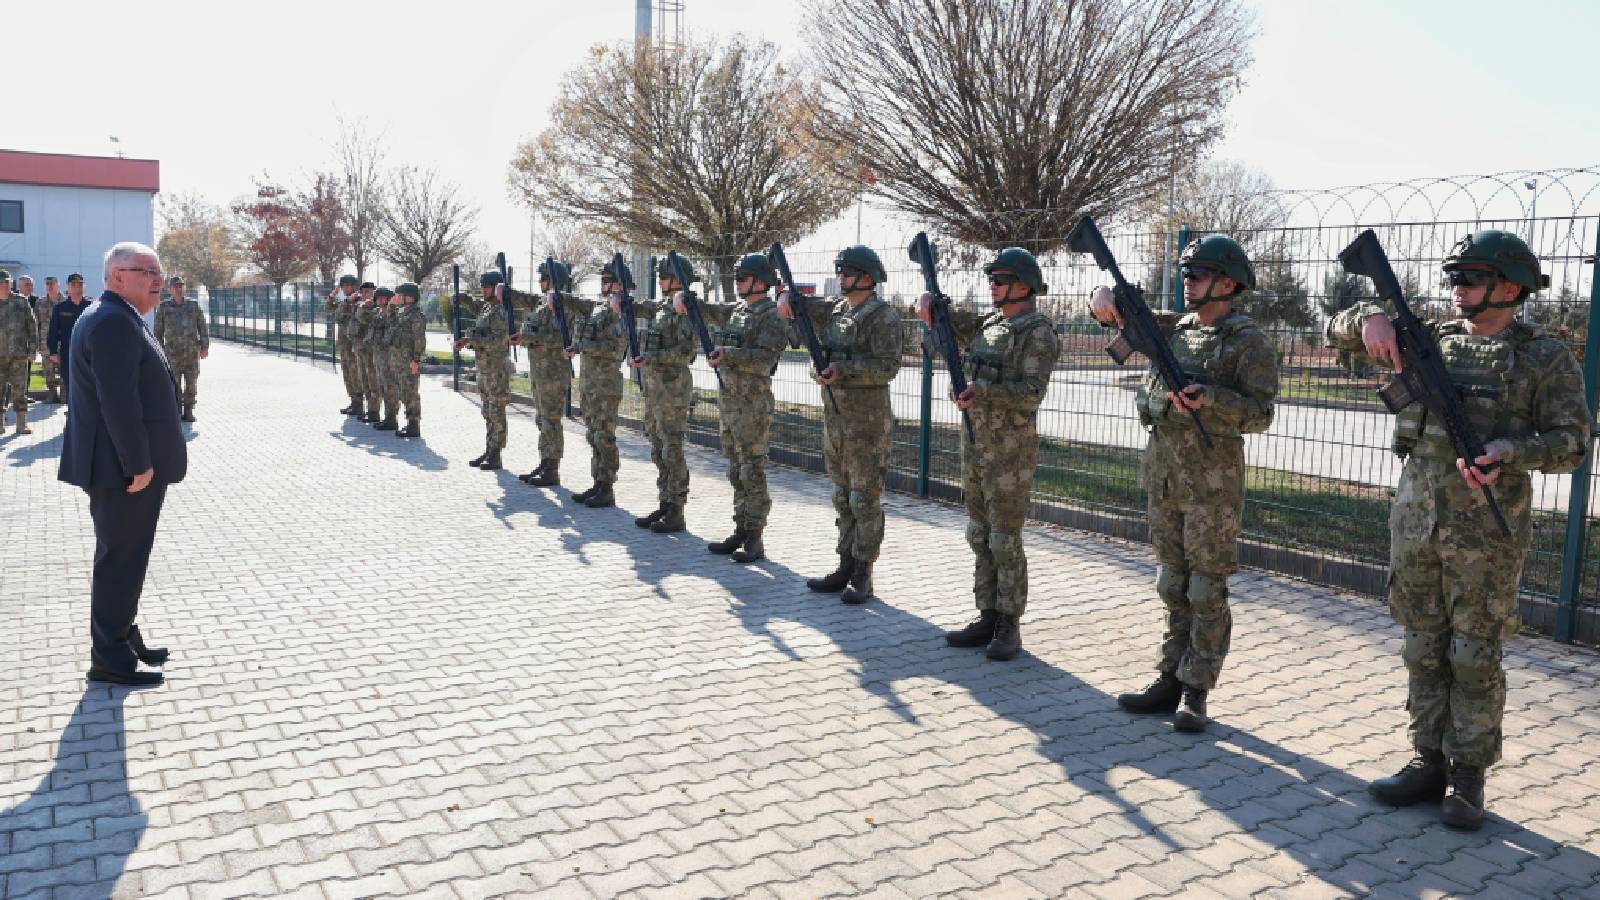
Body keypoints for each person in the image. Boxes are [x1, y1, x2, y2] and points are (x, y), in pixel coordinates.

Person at [1324, 230, 1589, 830]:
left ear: (1511, 287)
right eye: (1453, 278)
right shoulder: (1425, 342)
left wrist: (1511, 449)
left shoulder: (1544, 356)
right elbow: (1335, 327)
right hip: (1416, 521)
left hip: (1486, 534)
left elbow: (1572, 443)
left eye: (1469, 278)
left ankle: (1467, 776)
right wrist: (1369, 319)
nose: (1457, 288)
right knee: (1422, 643)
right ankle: (1426, 760)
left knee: (1473, 652)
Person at [1092, 235, 1279, 733]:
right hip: (1164, 474)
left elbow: (1260, 412)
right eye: (1185, 274)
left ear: (1227, 282)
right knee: (1171, 581)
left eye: (1196, 275)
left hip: (1212, 484)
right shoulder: (1171, 329)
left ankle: (1196, 689)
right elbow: (1110, 311)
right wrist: (1102, 296)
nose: (1186, 282)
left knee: (1204, 587)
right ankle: (1169, 676)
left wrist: (1211, 398)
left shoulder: (1249, 341)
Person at [58, 242, 187, 687]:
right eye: (146, 271)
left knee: (129, 558)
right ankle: (109, 658)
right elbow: (119, 403)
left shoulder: (118, 315)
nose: (158, 280)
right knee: (120, 560)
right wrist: (139, 464)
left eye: (159, 271)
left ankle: (122, 635)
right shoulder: (112, 321)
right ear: (116, 276)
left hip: (122, 465)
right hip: (123, 470)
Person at [923, 247, 1060, 660]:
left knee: (1003, 539)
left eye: (999, 280)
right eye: (992, 279)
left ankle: (1009, 624)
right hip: (976, 443)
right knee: (979, 534)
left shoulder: (1037, 332)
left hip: (1009, 452)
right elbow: (957, 356)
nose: (992, 286)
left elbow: (1030, 394)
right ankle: (986, 613)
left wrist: (983, 393)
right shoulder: (990, 325)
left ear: (1023, 285)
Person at [778, 245, 905, 604]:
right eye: (840, 273)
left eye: (847, 273)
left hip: (866, 423)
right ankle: (845, 563)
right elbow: (802, 315)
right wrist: (786, 296)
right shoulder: (837, 312)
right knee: (841, 496)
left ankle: (864, 572)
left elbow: (887, 367)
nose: (841, 279)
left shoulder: (882, 317)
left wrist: (843, 370)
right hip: (836, 419)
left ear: (867, 277)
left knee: (864, 499)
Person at [693, 252, 791, 563]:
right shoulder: (737, 311)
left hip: (752, 405)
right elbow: (709, 311)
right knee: (736, 470)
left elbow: (765, 359)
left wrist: (728, 354)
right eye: (736, 278)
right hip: (730, 402)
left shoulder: (772, 315)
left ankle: (755, 537)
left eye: (743, 278)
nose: (737, 284)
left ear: (761, 282)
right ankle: (740, 528)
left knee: (752, 470)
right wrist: (688, 298)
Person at [622, 257, 703, 533]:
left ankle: (676, 510)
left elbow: (685, 352)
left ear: (679, 279)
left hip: (673, 391)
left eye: (665, 276)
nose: (660, 280)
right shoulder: (663, 308)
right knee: (658, 449)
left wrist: (651, 357)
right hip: (655, 391)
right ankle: (665, 502)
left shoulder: (687, 309)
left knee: (672, 450)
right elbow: (641, 308)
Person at [503, 260, 583, 487]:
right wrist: (506, 291)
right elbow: (522, 299)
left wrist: (528, 337)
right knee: (542, 418)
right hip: (540, 371)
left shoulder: (565, 305)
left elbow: (559, 338)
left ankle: (552, 468)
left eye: (544, 279)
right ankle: (545, 461)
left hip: (554, 372)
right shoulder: (542, 301)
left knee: (551, 420)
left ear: (554, 280)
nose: (540, 283)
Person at [565, 259, 633, 508]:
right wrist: (577, 345)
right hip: (591, 383)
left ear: (618, 284)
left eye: (607, 280)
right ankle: (597, 483)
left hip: (605, 385)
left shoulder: (622, 309)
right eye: (602, 280)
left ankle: (607, 487)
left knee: (604, 436)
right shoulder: (599, 307)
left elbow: (615, 349)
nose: (602, 284)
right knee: (593, 435)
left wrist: (583, 347)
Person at [454, 271, 512, 469]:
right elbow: (476, 309)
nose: (484, 289)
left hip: (496, 369)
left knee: (496, 411)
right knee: (487, 411)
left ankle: (496, 453)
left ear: (497, 288)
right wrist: (468, 339)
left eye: (487, 286)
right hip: (485, 368)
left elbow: (497, 341)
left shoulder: (501, 311)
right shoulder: (488, 307)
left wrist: (472, 341)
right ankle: (489, 449)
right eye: (483, 286)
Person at [153, 275, 209, 422]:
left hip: (191, 353)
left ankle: (189, 411)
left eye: (181, 286)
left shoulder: (193, 305)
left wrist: (204, 346)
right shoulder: (164, 307)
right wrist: (159, 352)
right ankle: (176, 411)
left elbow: (202, 327)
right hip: (172, 354)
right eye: (175, 286)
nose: (179, 289)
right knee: (173, 385)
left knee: (191, 384)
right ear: (170, 289)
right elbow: (157, 332)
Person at [0, 270, 39, 433]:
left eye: (6, 282)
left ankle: (21, 424)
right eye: (1, 282)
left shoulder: (21, 302)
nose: (4, 285)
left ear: (11, 284)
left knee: (19, 390)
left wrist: (32, 350)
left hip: (19, 355)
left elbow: (32, 326)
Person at [388, 283, 427, 437]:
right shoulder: (402, 313)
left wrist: (416, 360)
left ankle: (414, 425)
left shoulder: (416, 315)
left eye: (401, 295)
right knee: (404, 392)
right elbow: (389, 319)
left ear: (409, 296)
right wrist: (391, 304)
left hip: (409, 361)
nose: (398, 298)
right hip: (399, 361)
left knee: (411, 393)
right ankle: (409, 423)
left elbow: (419, 340)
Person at [326, 274, 365, 416]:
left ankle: (359, 404)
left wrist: (346, 300)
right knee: (347, 373)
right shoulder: (343, 298)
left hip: (354, 344)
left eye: (350, 285)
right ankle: (353, 402)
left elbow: (344, 309)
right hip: (343, 343)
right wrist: (332, 296)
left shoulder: (358, 300)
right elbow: (330, 308)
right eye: (344, 286)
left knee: (356, 373)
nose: (347, 288)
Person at [370, 287, 400, 431]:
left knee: (391, 388)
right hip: (378, 356)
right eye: (378, 298)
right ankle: (387, 418)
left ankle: (391, 419)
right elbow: (361, 317)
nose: (381, 300)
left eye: (384, 298)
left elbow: (394, 339)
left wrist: (393, 361)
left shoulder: (393, 315)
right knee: (382, 387)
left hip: (388, 357)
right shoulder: (377, 314)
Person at [33, 276, 64, 402]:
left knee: (64, 371)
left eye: (52, 284)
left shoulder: (65, 302)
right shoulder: (40, 302)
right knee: (48, 371)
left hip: (62, 343)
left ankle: (64, 394)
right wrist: (36, 342)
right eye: (47, 284)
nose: (50, 286)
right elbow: (35, 323)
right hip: (45, 343)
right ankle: (52, 394)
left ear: (58, 285)